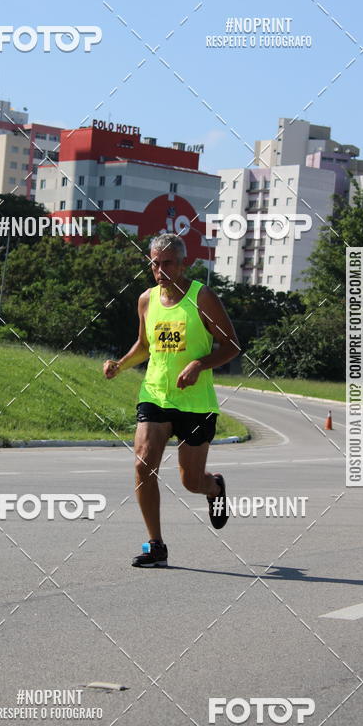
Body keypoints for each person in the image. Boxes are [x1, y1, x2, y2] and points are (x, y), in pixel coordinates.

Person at [103, 233, 239, 567]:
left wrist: (199, 364)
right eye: (154, 263)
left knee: (190, 481)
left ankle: (214, 487)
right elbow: (145, 346)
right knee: (142, 464)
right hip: (155, 395)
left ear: (183, 264)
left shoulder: (201, 297)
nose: (160, 270)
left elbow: (232, 346)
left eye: (167, 264)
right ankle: (156, 545)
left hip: (195, 403)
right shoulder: (146, 300)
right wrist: (120, 364)